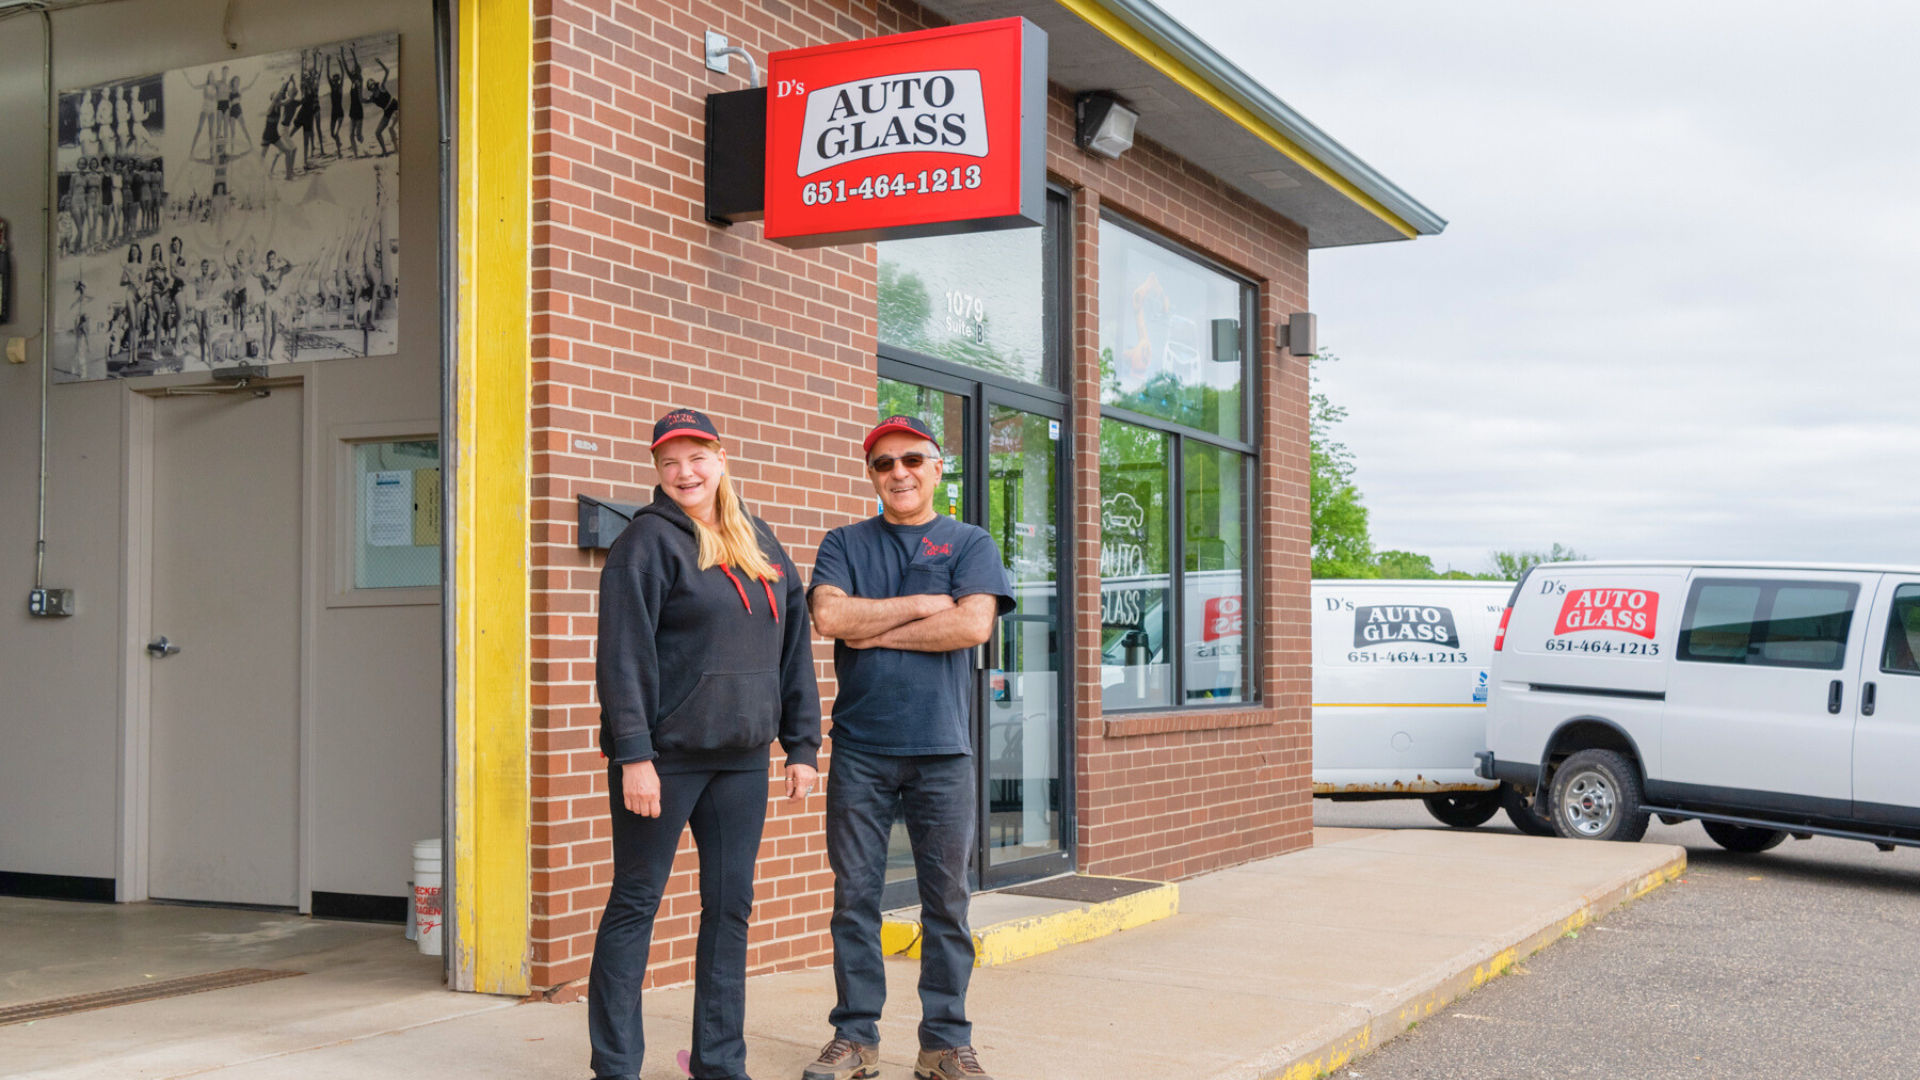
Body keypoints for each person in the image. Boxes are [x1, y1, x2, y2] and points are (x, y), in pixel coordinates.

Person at [591, 408, 822, 1080]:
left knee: (730, 908)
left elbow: (793, 650)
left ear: (722, 458)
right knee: (637, 903)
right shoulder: (648, 543)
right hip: (663, 761)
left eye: (696, 458)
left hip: (742, 761)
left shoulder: (762, 543)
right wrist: (634, 755)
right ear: (658, 471)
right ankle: (616, 1068)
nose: (684, 473)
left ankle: (719, 1064)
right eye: (670, 463)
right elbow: (622, 657)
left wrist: (801, 745)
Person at [803, 415, 1013, 1080]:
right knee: (854, 897)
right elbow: (830, 617)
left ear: (936, 466)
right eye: (884, 463)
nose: (899, 473)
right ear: (871, 473)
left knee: (947, 900)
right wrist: (925, 603)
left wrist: (876, 627)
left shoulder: (970, 542)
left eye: (912, 460)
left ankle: (944, 1043)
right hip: (861, 748)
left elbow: (973, 624)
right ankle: (855, 1038)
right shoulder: (843, 542)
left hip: (942, 751)